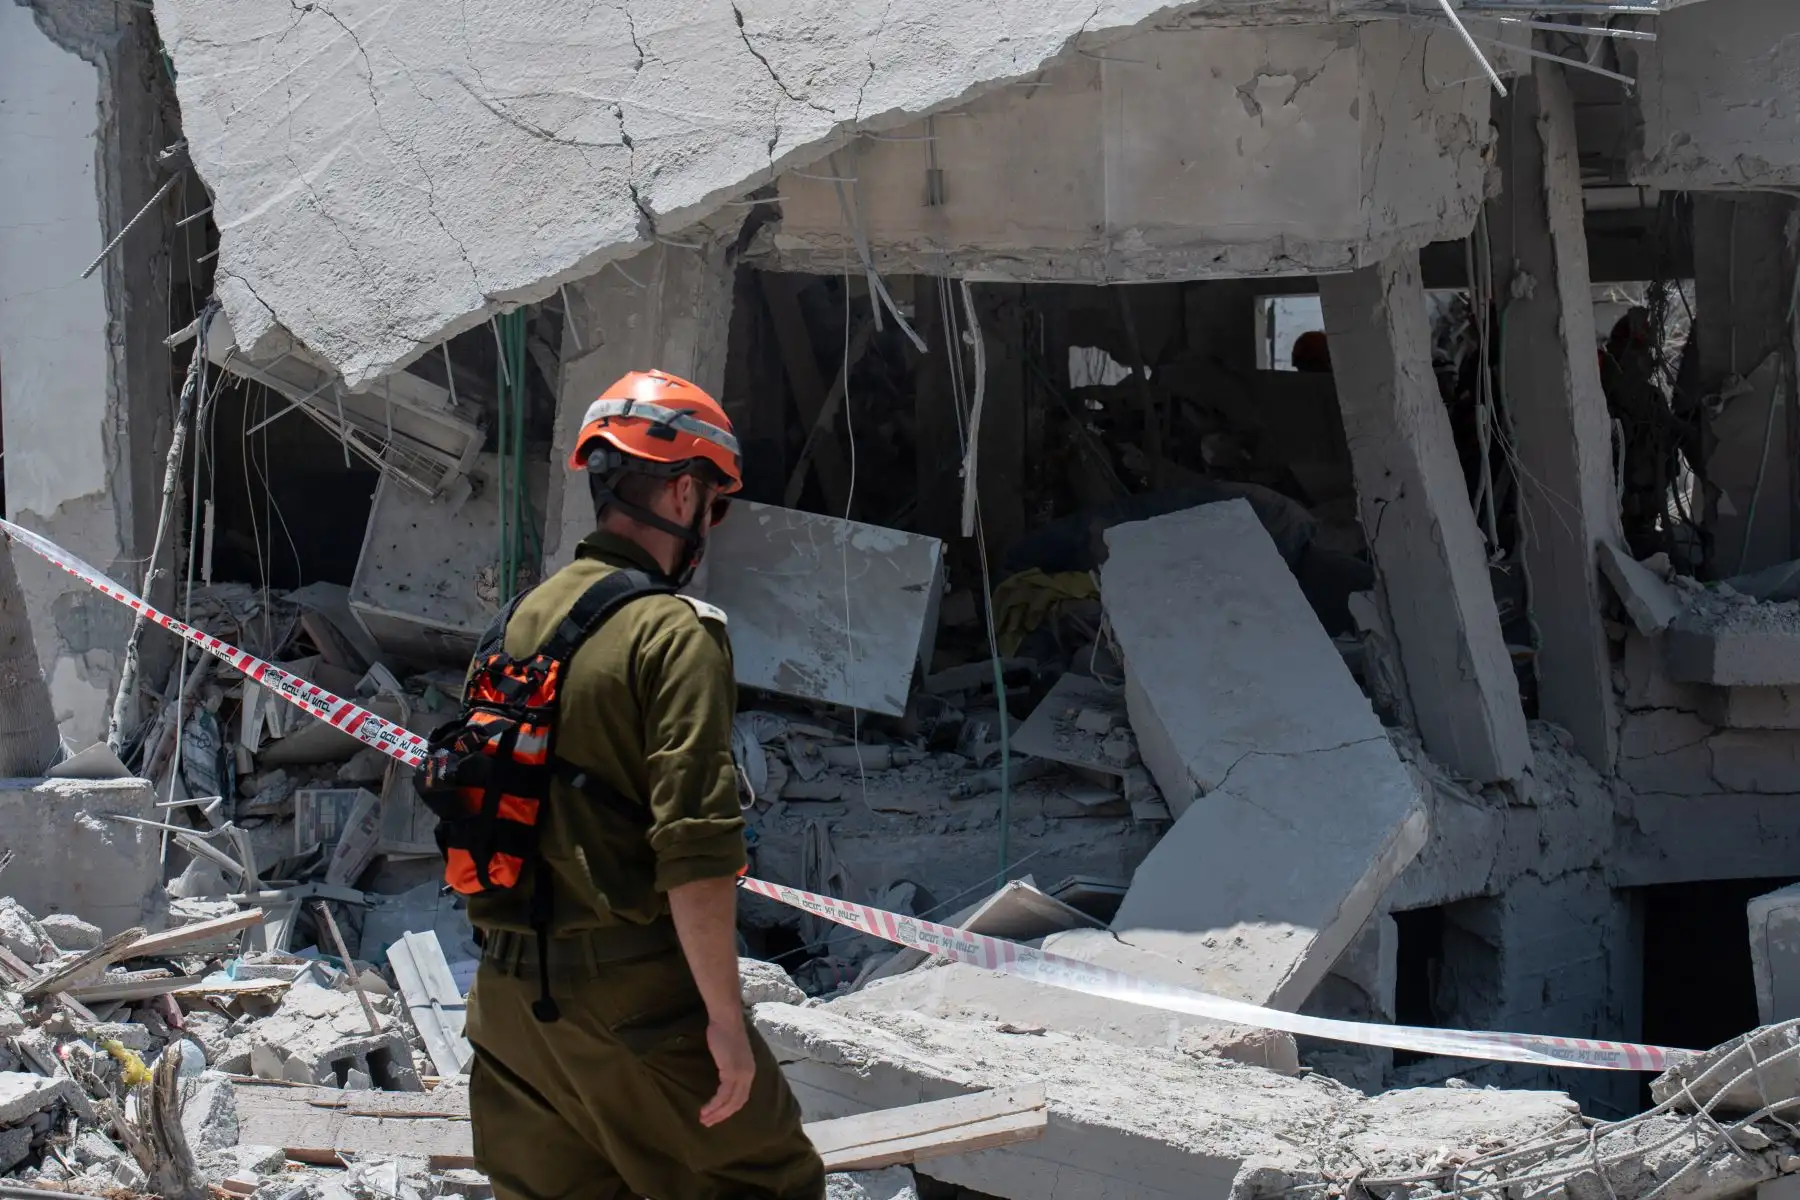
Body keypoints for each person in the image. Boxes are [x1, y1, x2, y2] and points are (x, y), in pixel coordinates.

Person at [462, 370, 825, 1200]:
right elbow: (695, 850)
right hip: (632, 1001)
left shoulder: (515, 623)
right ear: (687, 491)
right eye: (715, 502)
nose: (712, 522)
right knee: (766, 1181)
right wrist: (725, 1025)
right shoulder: (672, 634)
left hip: (509, 1007)